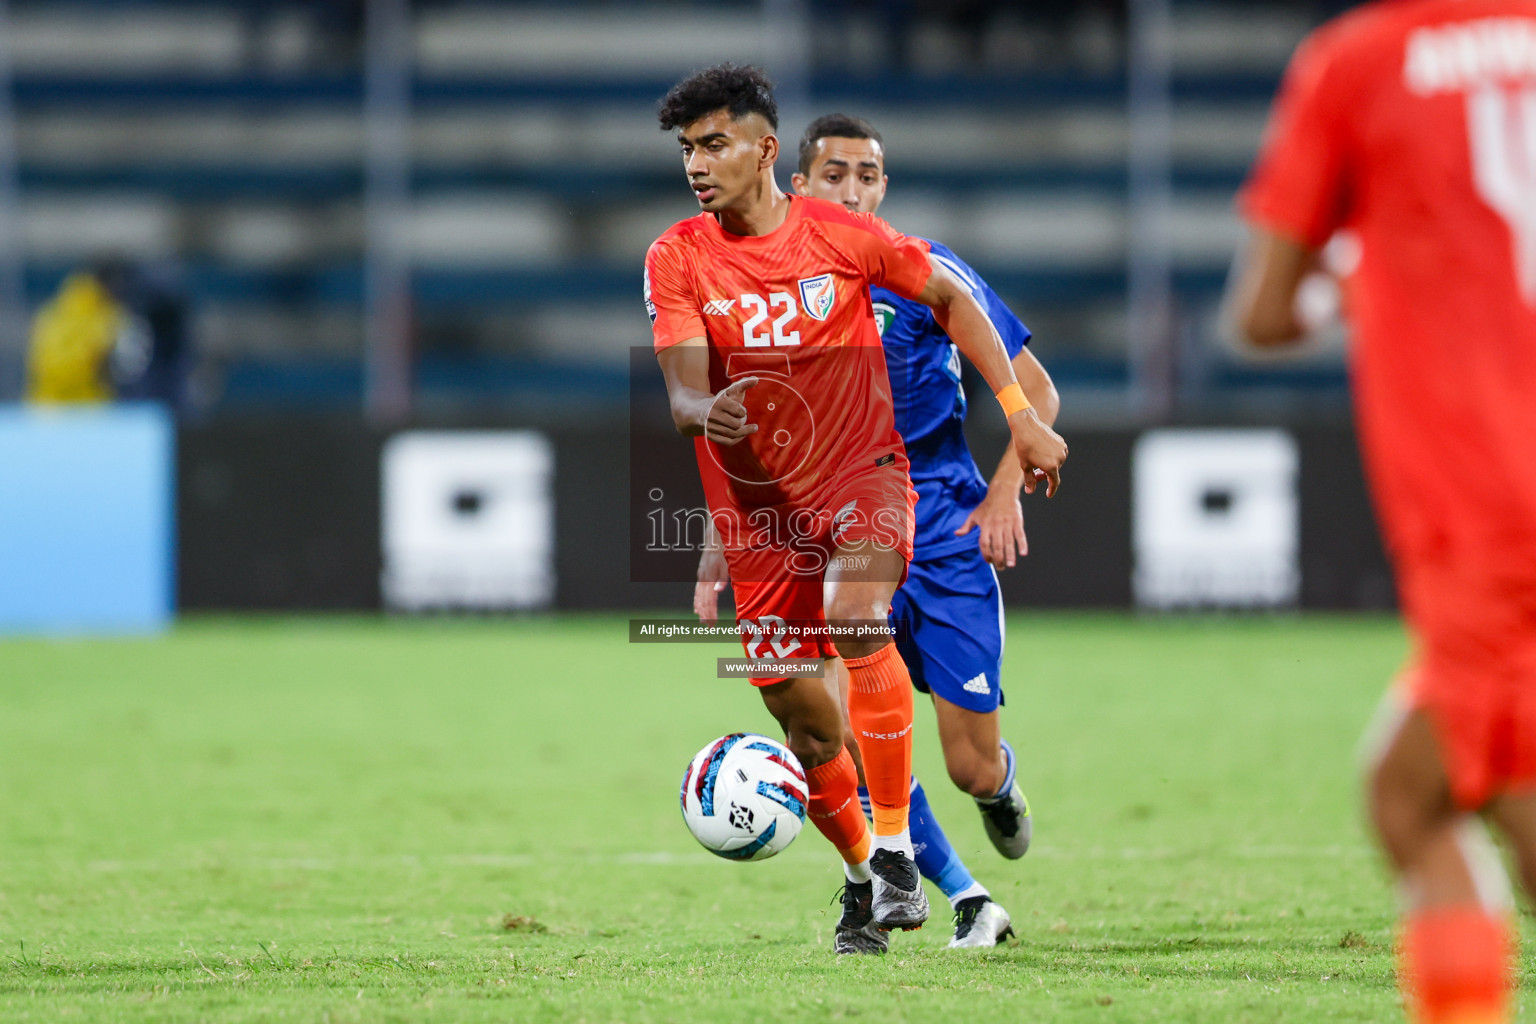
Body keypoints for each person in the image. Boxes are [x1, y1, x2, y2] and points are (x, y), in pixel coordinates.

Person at [646, 64, 1067, 953]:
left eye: (713, 144)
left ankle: (912, 846)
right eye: (688, 149)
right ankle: (876, 879)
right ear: (797, 169)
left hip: (886, 489)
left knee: (891, 663)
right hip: (765, 516)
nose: (696, 163)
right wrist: (704, 431)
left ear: (762, 151)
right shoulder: (677, 255)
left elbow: (957, 305)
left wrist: (1021, 425)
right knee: (807, 721)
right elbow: (685, 391)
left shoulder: (856, 245)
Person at [1231, 4, 1536, 1021]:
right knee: (1417, 783)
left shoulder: (1363, 59)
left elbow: (1262, 311)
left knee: (1454, 795)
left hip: (1490, 503)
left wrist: (1361, 274)